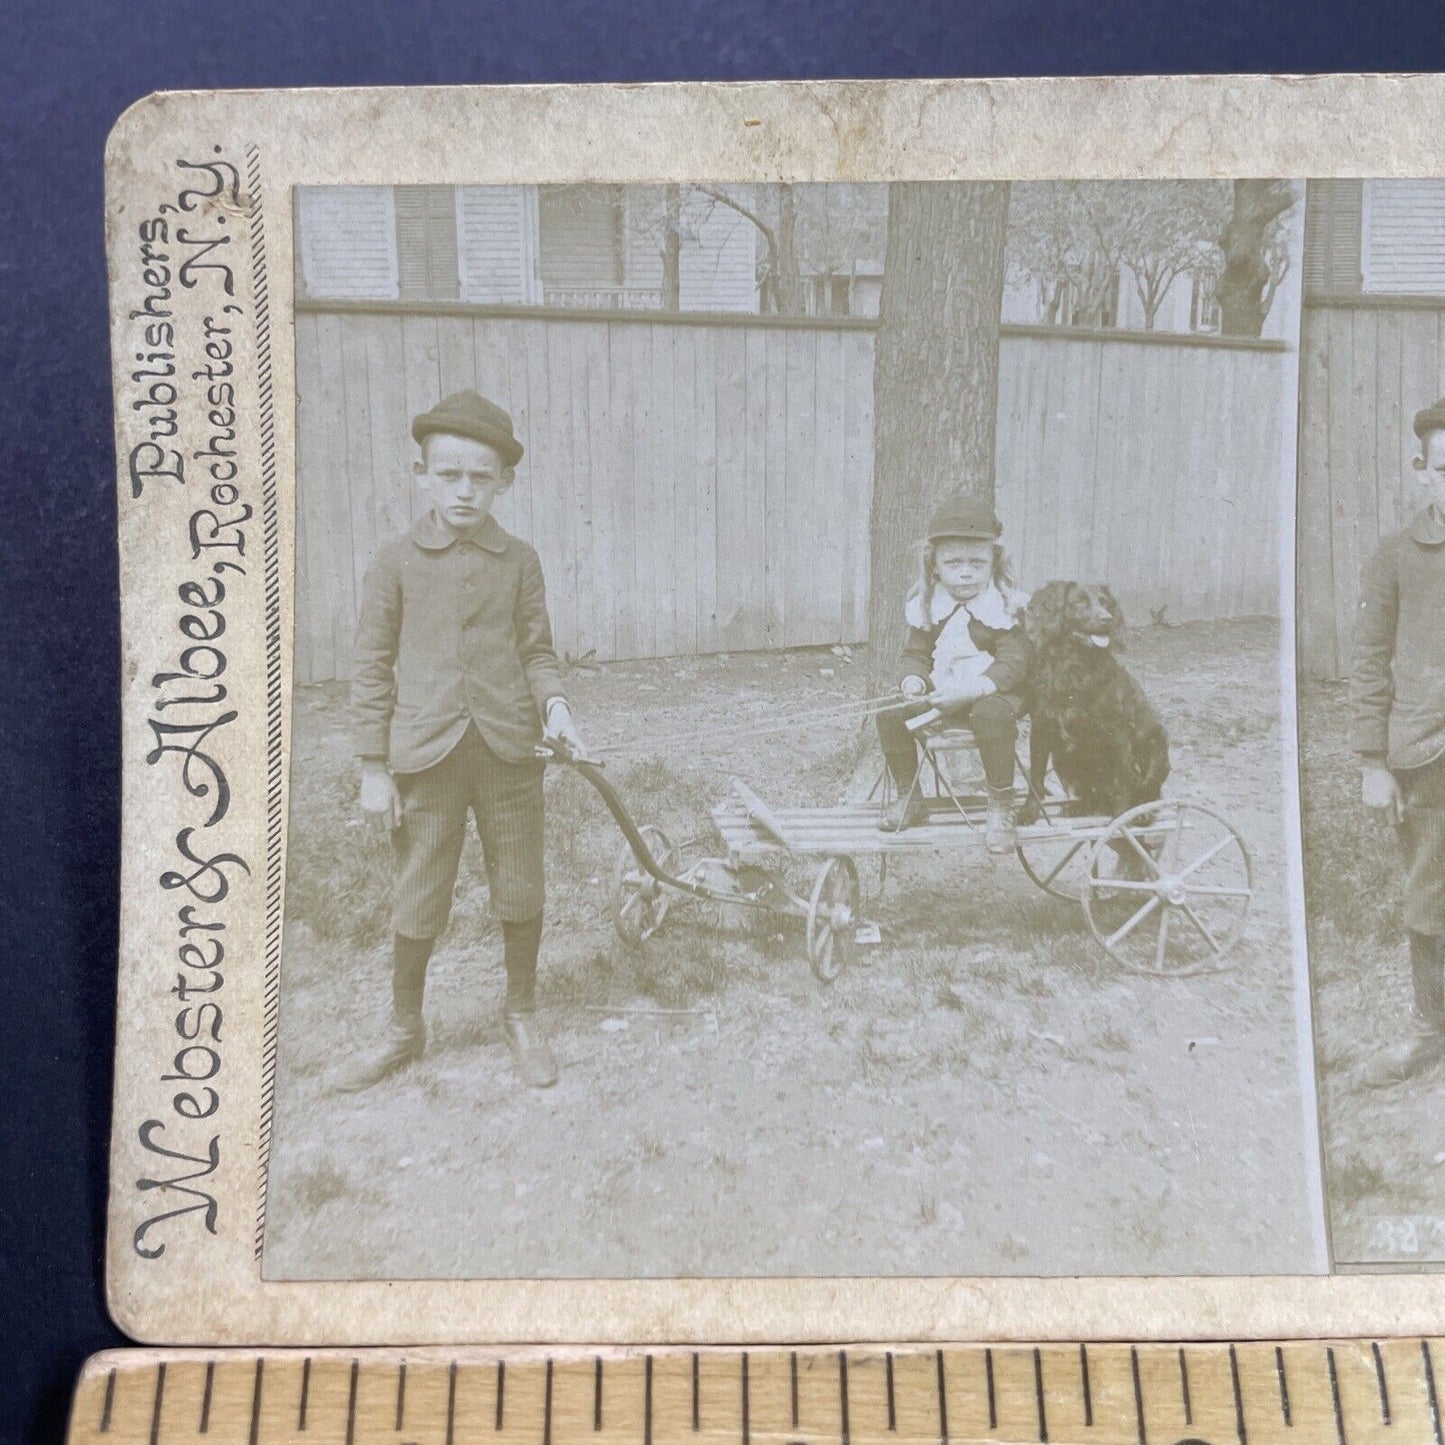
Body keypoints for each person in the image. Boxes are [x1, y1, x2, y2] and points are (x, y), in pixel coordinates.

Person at [340, 389, 586, 1093]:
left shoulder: (519, 560)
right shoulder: (394, 561)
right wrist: (372, 767)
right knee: (421, 888)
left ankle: (521, 1012)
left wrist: (558, 707)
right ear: (422, 474)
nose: (464, 490)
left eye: (481, 477)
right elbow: (369, 665)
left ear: (503, 481)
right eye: (449, 475)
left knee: (519, 882)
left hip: (510, 749)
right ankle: (403, 1027)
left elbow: (537, 651)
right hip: (425, 755)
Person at [1354, 396, 1445, 1089]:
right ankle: (1427, 1029)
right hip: (1425, 754)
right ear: (1423, 470)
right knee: (1429, 891)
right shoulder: (1395, 556)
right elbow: (1368, 659)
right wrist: (1370, 760)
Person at [876, 497, 1030, 852]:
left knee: (990, 713)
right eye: (953, 563)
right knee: (889, 708)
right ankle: (910, 798)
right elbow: (914, 654)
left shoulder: (1005, 606)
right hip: (946, 691)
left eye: (977, 563)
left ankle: (1000, 808)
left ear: (993, 564)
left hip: (997, 692)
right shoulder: (930, 605)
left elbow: (1014, 662)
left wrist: (975, 689)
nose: (965, 572)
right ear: (935, 567)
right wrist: (913, 680)